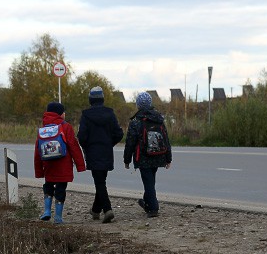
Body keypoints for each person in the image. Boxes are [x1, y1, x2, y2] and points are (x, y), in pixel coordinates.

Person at [77, 86, 124, 223]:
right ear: (102, 98)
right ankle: (95, 210)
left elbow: (82, 136)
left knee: (99, 182)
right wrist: (109, 143)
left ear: (90, 99)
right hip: (106, 151)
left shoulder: (86, 115)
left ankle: (107, 210)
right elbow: (119, 133)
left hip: (93, 152)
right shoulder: (110, 114)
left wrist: (86, 146)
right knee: (101, 181)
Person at [34, 102, 86, 224]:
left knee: (48, 185)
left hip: (48, 164)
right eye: (63, 112)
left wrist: (39, 170)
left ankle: (47, 211)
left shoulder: (43, 129)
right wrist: (80, 165)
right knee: (61, 189)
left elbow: (37, 151)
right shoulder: (66, 126)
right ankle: (58, 217)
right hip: (63, 164)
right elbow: (74, 146)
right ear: (60, 114)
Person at [123, 92, 172, 217]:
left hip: (143, 157)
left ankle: (153, 208)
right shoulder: (159, 119)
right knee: (150, 181)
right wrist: (168, 158)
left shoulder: (136, 121)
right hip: (158, 155)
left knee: (148, 182)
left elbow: (130, 142)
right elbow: (166, 139)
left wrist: (126, 159)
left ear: (138, 105)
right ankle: (147, 202)